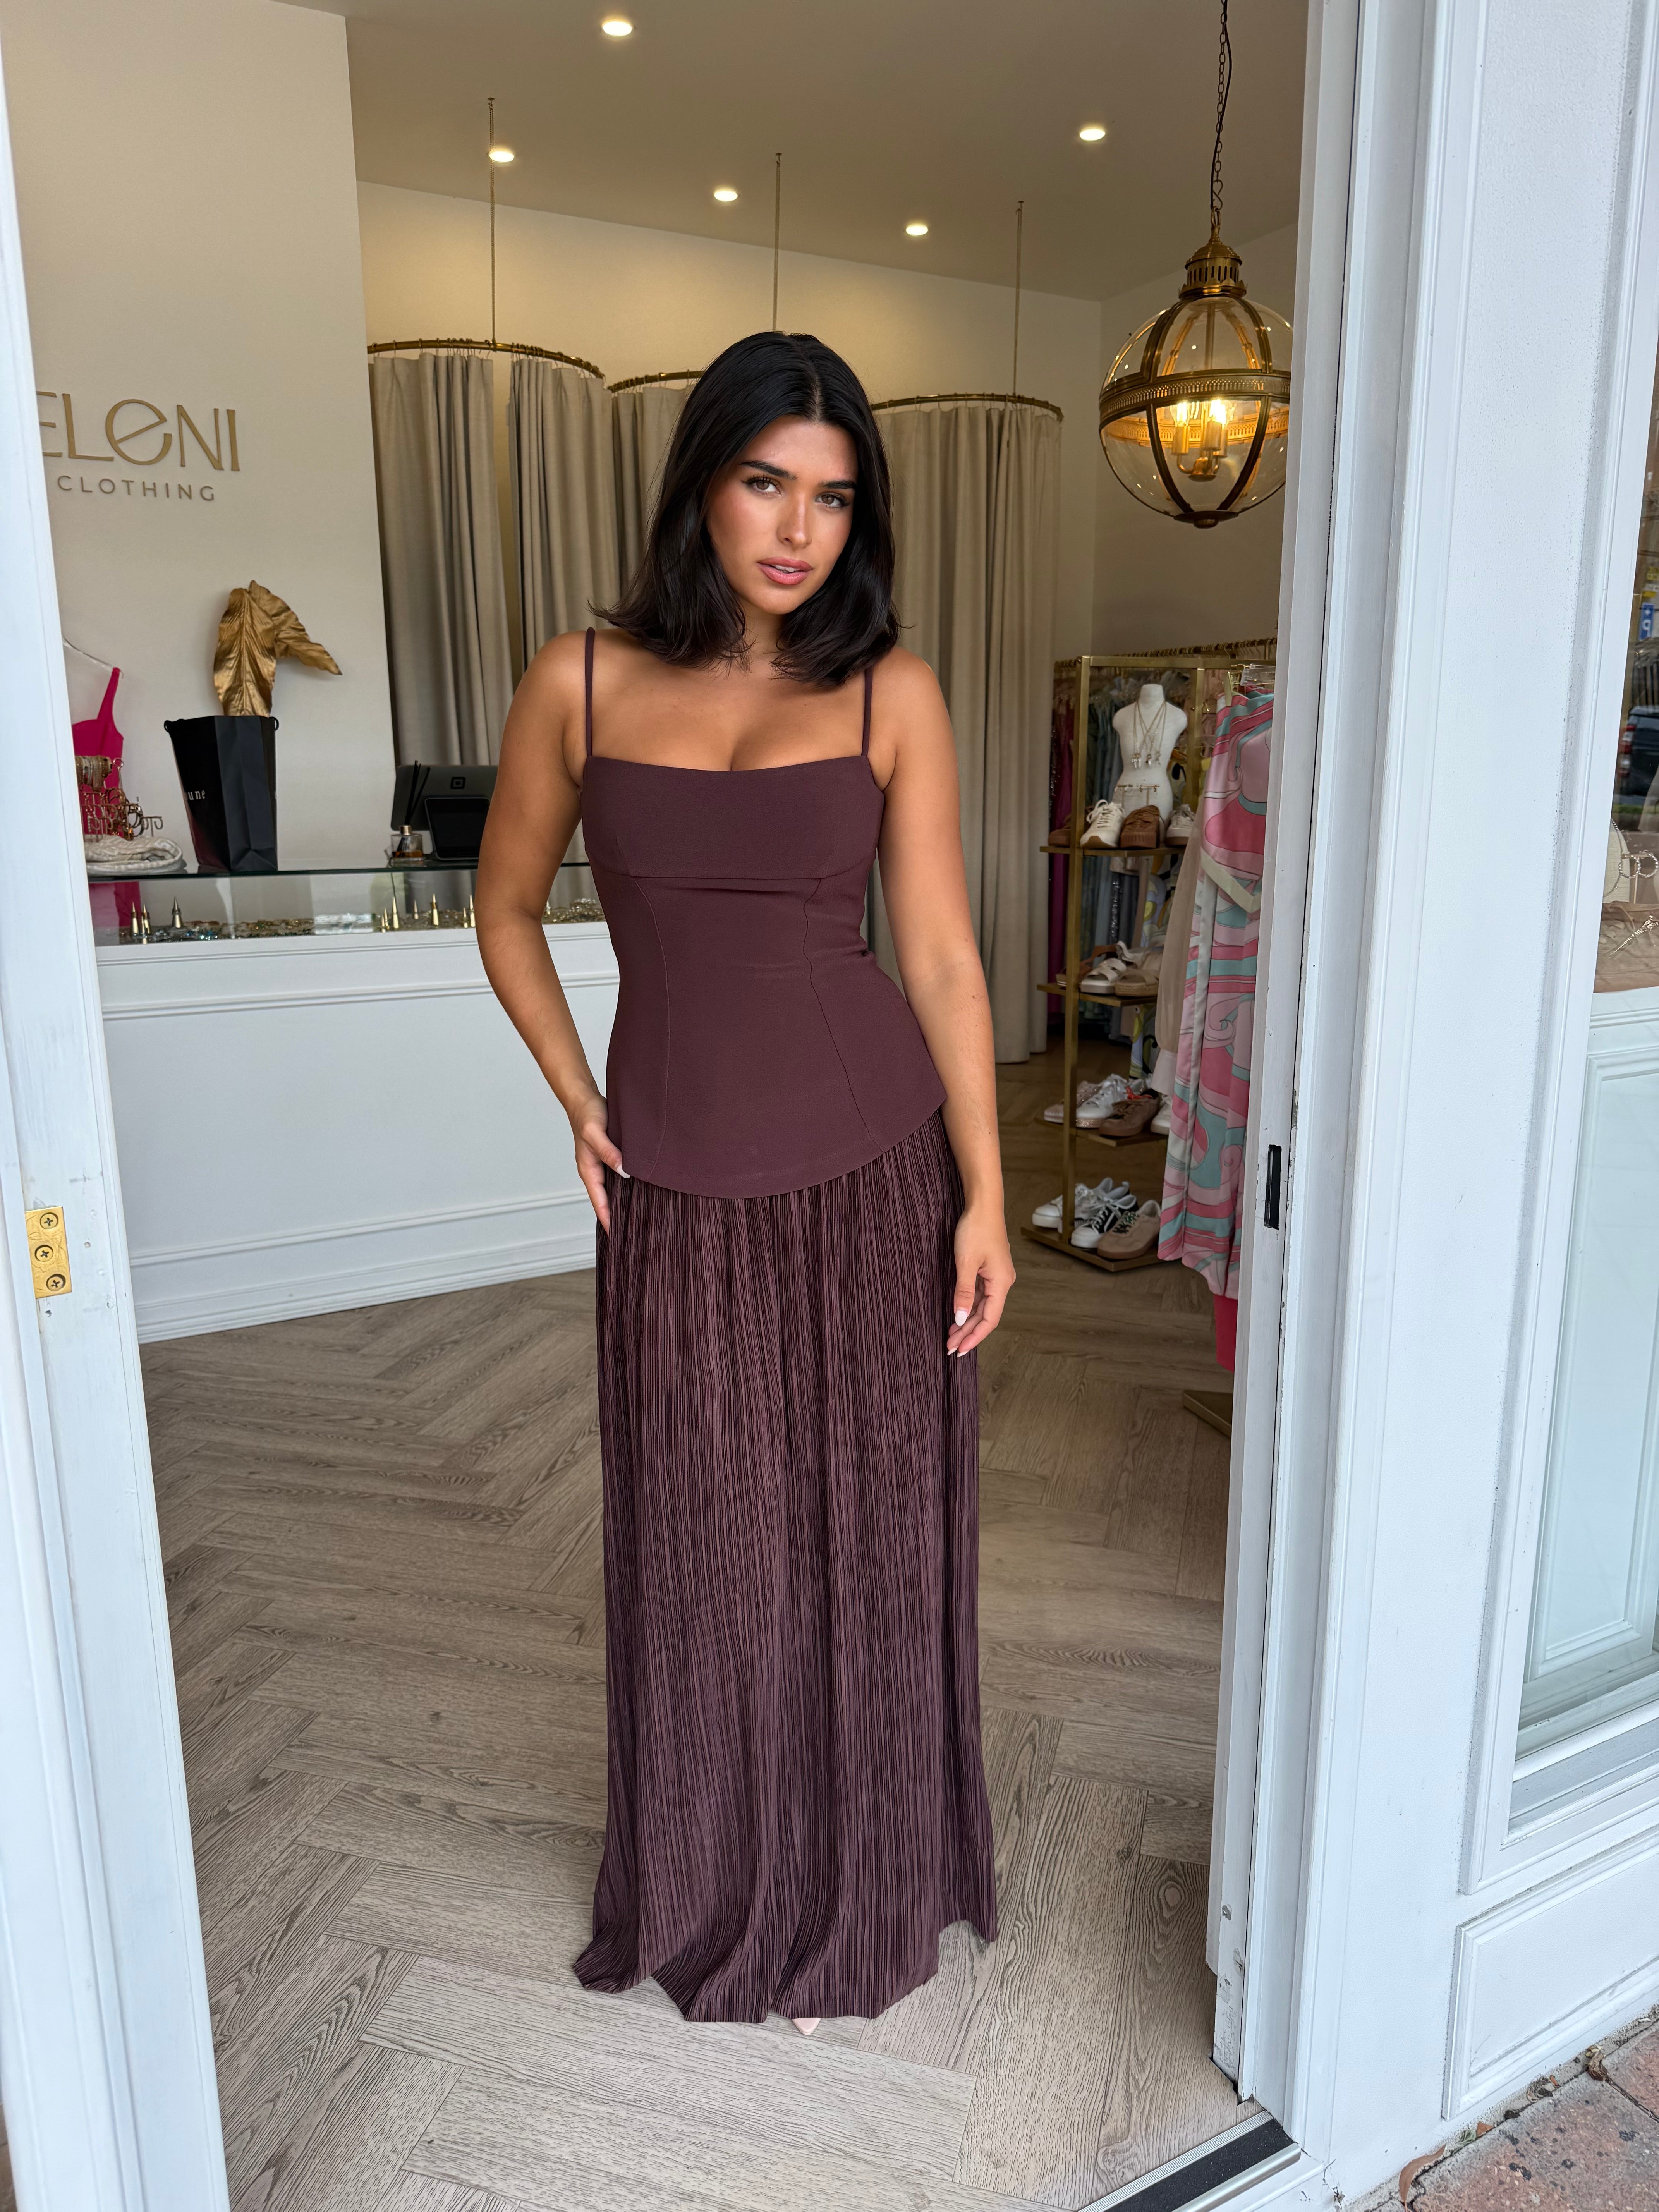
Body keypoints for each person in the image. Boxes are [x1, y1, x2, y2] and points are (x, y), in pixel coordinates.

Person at [475, 328, 1011, 2033]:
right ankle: (713, 1875)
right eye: (767, 483)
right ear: (701, 482)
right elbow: (505, 906)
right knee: (705, 1545)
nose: (797, 529)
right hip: (676, 1177)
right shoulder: (578, 680)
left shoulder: (888, 690)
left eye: (833, 499)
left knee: (868, 1537)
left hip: (874, 1167)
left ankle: (867, 1877)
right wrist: (576, 1092)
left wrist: (986, 1194)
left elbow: (939, 956)